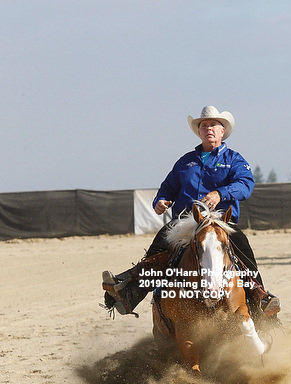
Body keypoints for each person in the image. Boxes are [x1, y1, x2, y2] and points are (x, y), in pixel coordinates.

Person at [102, 105, 280, 318]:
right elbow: (168, 187)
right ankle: (131, 295)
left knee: (241, 246)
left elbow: (245, 185)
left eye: (213, 125)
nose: (209, 129)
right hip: (185, 221)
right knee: (159, 248)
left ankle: (259, 296)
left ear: (222, 131)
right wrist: (161, 200)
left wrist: (220, 194)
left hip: (219, 222)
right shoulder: (185, 162)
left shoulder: (234, 159)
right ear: (199, 131)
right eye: (204, 125)